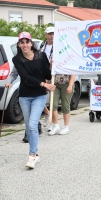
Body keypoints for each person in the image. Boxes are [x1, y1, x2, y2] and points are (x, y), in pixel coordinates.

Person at [12, 32, 56, 169]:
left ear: (31, 43)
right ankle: (36, 153)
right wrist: (44, 84)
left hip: (39, 95)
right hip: (25, 95)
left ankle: (31, 156)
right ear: (19, 45)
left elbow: (47, 75)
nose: (25, 45)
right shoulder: (17, 59)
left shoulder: (41, 56)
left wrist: (50, 66)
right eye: (22, 42)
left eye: (27, 42)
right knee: (29, 127)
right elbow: (25, 78)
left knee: (32, 125)